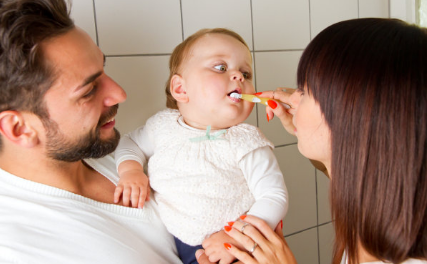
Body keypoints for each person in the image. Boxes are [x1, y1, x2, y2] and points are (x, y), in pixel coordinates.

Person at [195, 18, 427, 264]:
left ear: (351, 118)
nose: (291, 100)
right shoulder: (383, 209)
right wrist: (311, 130)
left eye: (304, 91)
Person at [0, 0, 185, 263]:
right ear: (19, 129)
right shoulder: (16, 246)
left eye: (103, 69)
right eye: (88, 91)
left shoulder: (117, 155)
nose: (120, 93)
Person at [113, 28, 288, 264]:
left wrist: (235, 236)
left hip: (234, 249)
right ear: (181, 89)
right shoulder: (162, 127)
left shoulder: (247, 142)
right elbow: (130, 142)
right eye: (221, 68)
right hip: (175, 242)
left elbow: (274, 196)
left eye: (246, 73)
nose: (239, 76)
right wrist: (131, 170)